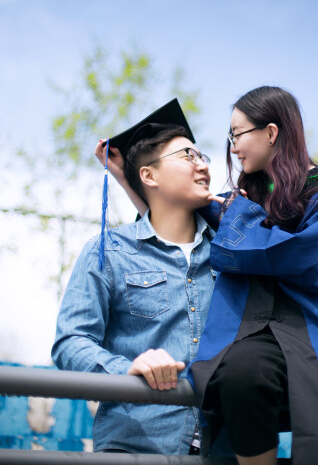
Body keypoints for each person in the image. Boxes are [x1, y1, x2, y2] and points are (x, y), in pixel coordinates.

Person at [185, 86, 318, 465]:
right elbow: (172, 209)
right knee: (240, 374)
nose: (232, 147)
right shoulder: (245, 198)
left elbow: (296, 257)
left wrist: (237, 216)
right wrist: (130, 174)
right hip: (259, 333)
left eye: (237, 133)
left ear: (272, 132)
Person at [52, 100, 227, 455]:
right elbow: (70, 342)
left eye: (202, 156)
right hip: (135, 445)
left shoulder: (232, 255)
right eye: (187, 156)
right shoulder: (109, 251)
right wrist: (127, 368)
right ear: (149, 176)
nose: (203, 165)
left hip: (224, 449)